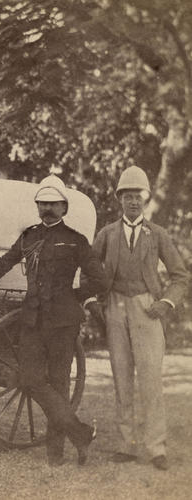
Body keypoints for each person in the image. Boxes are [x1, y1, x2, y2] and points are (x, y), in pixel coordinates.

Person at [0, 175, 106, 466]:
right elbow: (5, 262)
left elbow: (101, 280)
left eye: (53, 204)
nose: (47, 209)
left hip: (63, 323)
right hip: (32, 320)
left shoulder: (76, 240)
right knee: (30, 379)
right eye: (43, 204)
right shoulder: (28, 236)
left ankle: (56, 455)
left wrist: (75, 295)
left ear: (64, 208)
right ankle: (81, 432)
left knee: (59, 383)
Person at [89, 166, 190, 471]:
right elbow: (89, 270)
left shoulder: (157, 234)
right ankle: (125, 445)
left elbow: (180, 276)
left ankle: (156, 447)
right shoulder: (107, 234)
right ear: (119, 199)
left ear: (146, 199)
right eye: (127, 196)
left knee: (150, 381)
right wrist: (95, 302)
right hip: (116, 308)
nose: (133, 201)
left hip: (148, 309)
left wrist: (166, 302)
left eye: (138, 196)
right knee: (121, 378)